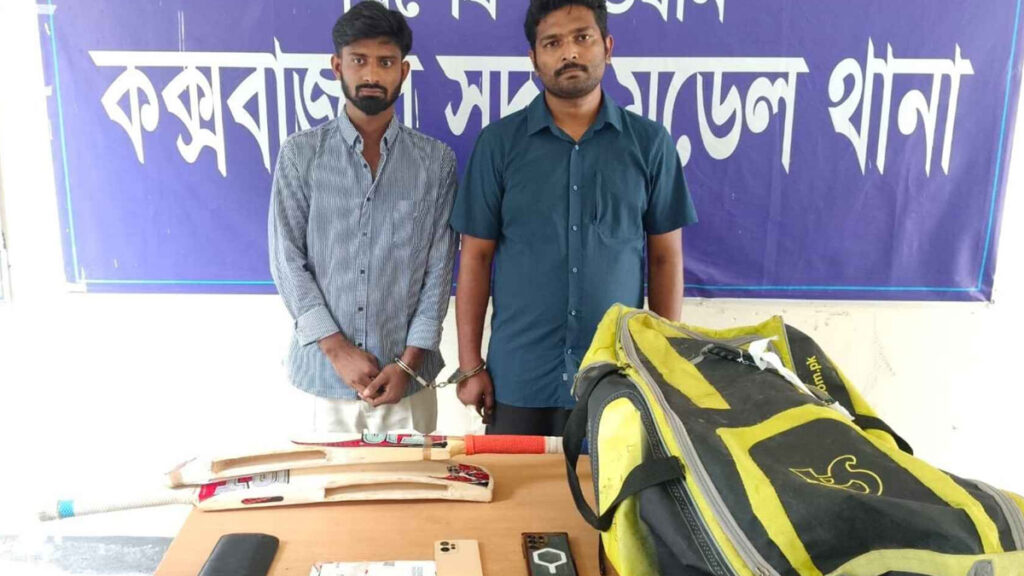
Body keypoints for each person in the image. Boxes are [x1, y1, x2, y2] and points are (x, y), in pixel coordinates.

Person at [450, 0, 697, 435]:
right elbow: (475, 257)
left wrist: (661, 361)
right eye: (552, 43)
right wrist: (470, 366)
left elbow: (664, 258)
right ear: (534, 59)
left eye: (582, 38)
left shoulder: (649, 144)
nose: (569, 53)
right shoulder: (498, 144)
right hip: (519, 378)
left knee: (613, 483)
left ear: (607, 47)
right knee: (514, 484)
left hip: (616, 378)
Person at [269, 1, 457, 433]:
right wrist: (337, 350)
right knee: (323, 480)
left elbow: (439, 271)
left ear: (403, 72)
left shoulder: (436, 163)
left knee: (414, 481)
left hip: (408, 383)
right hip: (322, 381)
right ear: (337, 66)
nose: (372, 74)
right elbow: (286, 261)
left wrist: (408, 364)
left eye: (385, 62)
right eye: (359, 60)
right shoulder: (301, 156)